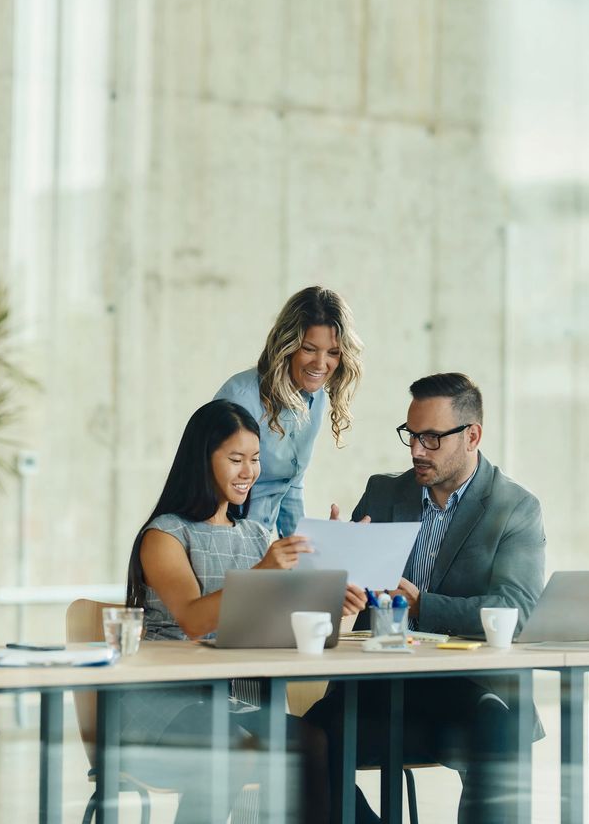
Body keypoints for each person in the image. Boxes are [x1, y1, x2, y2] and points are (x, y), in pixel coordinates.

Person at [306, 372, 546, 824]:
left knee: (498, 728)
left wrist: (422, 605)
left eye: (432, 438)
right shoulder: (384, 492)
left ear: (472, 435)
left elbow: (516, 610)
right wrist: (335, 561)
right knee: (307, 740)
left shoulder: (514, 507)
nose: (417, 450)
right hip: (378, 687)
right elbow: (346, 595)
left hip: (465, 690)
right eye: (412, 435)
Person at [123, 399, 364, 824]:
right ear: (203, 461)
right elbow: (194, 622)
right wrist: (265, 569)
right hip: (164, 700)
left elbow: (279, 626)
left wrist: (331, 591)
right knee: (232, 751)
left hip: (230, 699)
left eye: (254, 459)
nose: (248, 472)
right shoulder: (164, 535)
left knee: (309, 741)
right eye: (236, 459)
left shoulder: (255, 534)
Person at [214, 286, 363, 537]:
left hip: (260, 544)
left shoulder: (315, 397)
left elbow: (290, 485)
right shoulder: (240, 399)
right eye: (309, 348)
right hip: (225, 541)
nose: (320, 364)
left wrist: (305, 554)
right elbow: (208, 486)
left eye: (333, 353)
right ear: (288, 344)